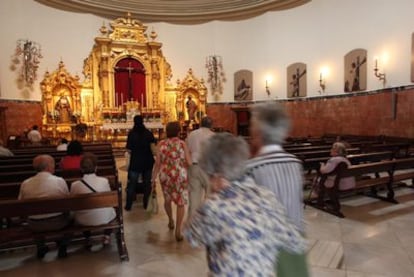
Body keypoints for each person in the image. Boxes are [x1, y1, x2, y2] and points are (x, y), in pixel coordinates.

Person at [184, 133, 306, 276]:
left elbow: (191, 237)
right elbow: (295, 241)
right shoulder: (267, 197)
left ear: (218, 175)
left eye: (210, 175)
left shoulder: (214, 207)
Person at [245, 102, 308, 276]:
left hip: (266, 250)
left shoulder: (252, 167)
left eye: (252, 126)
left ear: (258, 132)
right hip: (296, 242)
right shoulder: (295, 163)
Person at [18, 154, 70, 259]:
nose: (54, 166)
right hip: (57, 223)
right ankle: (63, 245)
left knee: (36, 216)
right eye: (53, 164)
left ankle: (41, 247)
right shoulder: (59, 181)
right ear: (48, 167)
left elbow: (21, 203)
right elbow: (67, 202)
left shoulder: (25, 183)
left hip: (34, 224)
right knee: (74, 217)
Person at [152, 121, 191, 241]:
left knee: (167, 200)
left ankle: (170, 221)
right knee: (180, 202)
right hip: (179, 175)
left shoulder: (161, 144)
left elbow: (158, 163)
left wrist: (152, 178)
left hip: (165, 175)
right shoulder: (182, 143)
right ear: (178, 132)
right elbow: (189, 162)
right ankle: (178, 230)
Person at [70, 153, 116, 246]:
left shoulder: (75, 185)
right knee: (112, 210)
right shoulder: (104, 181)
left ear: (81, 169)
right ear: (96, 168)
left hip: (83, 220)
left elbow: (73, 205)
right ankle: (107, 236)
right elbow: (108, 200)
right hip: (104, 217)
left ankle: (88, 237)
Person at [125, 115, 157, 211]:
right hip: (147, 161)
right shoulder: (148, 133)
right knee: (147, 183)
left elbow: (129, 149)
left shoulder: (131, 134)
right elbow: (153, 148)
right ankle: (146, 204)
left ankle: (128, 205)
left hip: (135, 162)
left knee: (132, 184)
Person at [185, 116, 214, 217]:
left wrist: (189, 165)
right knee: (210, 197)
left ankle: (192, 227)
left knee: (194, 198)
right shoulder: (213, 136)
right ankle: (207, 223)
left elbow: (186, 150)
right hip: (208, 169)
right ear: (211, 125)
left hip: (194, 166)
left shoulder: (192, 134)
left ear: (200, 124)